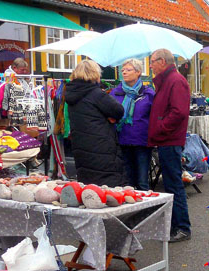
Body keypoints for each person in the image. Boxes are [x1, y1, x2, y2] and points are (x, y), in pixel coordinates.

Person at [148, 48, 192, 242]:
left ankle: (182, 227)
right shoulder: (168, 81)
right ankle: (176, 226)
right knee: (171, 184)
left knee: (174, 184)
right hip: (167, 139)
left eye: (152, 61)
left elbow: (178, 112)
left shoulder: (175, 81)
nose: (150, 65)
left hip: (170, 140)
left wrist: (160, 128)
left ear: (163, 62)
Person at [65, 59, 125, 187]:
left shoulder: (70, 94)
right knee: (107, 188)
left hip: (81, 147)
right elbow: (119, 110)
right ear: (94, 74)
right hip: (101, 148)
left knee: (88, 186)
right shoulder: (96, 94)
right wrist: (109, 117)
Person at [110, 58, 155, 190]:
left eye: (128, 70)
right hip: (122, 141)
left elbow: (155, 117)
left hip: (142, 142)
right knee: (127, 182)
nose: (124, 72)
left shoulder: (148, 94)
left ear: (138, 72)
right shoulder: (115, 93)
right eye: (122, 70)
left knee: (142, 181)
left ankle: (146, 210)